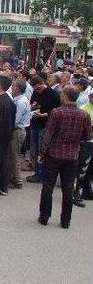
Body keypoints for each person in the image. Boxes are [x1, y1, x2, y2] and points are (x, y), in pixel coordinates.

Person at [38, 86, 91, 229]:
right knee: (68, 188)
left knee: (48, 185)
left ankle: (44, 216)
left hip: (55, 153)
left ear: (66, 96)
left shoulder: (56, 112)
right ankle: (66, 220)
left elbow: (48, 134)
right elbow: (87, 136)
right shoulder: (84, 115)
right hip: (73, 155)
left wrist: (42, 153)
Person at [27, 76, 61, 183]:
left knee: (42, 150)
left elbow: (55, 111)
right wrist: (33, 108)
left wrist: (42, 115)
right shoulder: (36, 93)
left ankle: (42, 173)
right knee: (35, 149)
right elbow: (32, 104)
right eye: (35, 89)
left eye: (39, 88)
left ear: (43, 83)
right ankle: (37, 172)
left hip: (45, 125)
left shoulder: (53, 94)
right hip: (35, 124)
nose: (37, 91)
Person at [10, 79, 31, 189]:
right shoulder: (21, 100)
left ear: (18, 89)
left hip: (17, 130)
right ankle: (13, 176)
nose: (11, 88)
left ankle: (17, 179)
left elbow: (16, 119)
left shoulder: (21, 102)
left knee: (14, 155)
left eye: (13, 86)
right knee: (12, 154)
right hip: (19, 130)